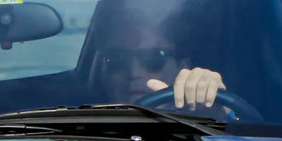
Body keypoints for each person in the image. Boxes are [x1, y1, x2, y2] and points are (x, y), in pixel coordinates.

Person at [90, 11, 226, 111]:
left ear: (183, 65)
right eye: (116, 59)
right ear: (101, 71)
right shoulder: (72, 121)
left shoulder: (205, 126)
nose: (134, 72)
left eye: (153, 58)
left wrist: (215, 105)